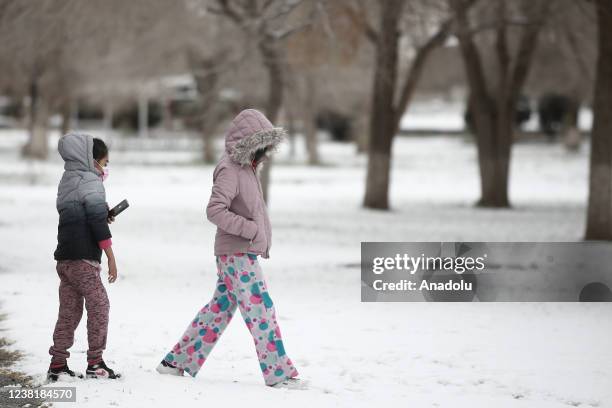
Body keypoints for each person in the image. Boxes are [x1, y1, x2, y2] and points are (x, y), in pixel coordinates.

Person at [156, 109, 302, 389]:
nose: (266, 153)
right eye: (263, 146)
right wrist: (250, 230)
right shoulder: (230, 169)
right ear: (249, 142)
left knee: (219, 309)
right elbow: (214, 210)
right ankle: (279, 373)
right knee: (261, 310)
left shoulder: (246, 168)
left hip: (239, 252)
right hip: (236, 252)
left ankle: (175, 362)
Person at [47, 132, 120, 381]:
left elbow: (80, 215)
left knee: (69, 310)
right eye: (105, 163)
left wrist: (101, 212)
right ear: (93, 160)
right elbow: (97, 224)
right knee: (100, 306)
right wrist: (110, 256)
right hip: (83, 260)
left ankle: (57, 364)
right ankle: (95, 362)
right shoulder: (91, 182)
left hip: (65, 258)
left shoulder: (67, 180)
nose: (105, 168)